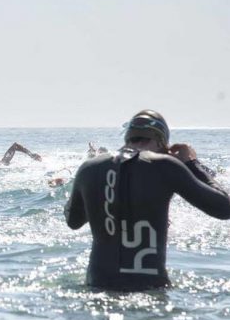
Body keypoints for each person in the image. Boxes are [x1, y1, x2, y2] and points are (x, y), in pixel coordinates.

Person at [65, 110, 230, 291]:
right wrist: (191, 163)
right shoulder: (165, 166)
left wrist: (96, 191)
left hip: (97, 286)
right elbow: (224, 208)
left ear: (127, 138)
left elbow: (73, 221)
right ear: (162, 143)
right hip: (149, 289)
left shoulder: (90, 167)